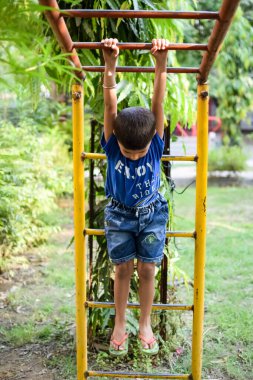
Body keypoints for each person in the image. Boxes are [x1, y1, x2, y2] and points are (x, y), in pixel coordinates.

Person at [101, 37, 169, 356]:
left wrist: (161, 64)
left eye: (138, 152)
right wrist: (111, 65)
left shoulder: (154, 143)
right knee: (123, 269)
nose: (131, 157)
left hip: (152, 212)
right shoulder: (113, 143)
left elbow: (158, 105)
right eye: (128, 152)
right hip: (119, 214)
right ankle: (119, 323)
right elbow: (111, 106)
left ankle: (144, 323)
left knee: (148, 270)